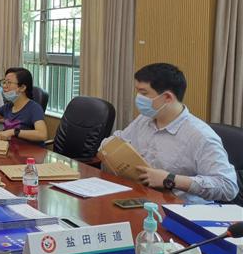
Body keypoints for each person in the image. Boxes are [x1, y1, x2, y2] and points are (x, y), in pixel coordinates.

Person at [100, 63, 238, 204]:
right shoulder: (144, 119)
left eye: (144, 93)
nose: (138, 98)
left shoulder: (200, 136)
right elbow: (117, 141)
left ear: (167, 97)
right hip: (143, 199)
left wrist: (170, 179)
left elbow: (228, 186)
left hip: (181, 209)